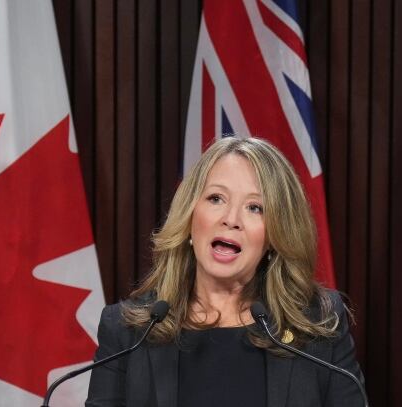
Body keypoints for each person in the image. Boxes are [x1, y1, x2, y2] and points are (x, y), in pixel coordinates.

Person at [86, 137, 365, 407]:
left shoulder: (318, 323)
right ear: (190, 215)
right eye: (216, 198)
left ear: (274, 237)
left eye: (255, 207)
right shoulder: (128, 332)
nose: (231, 219)